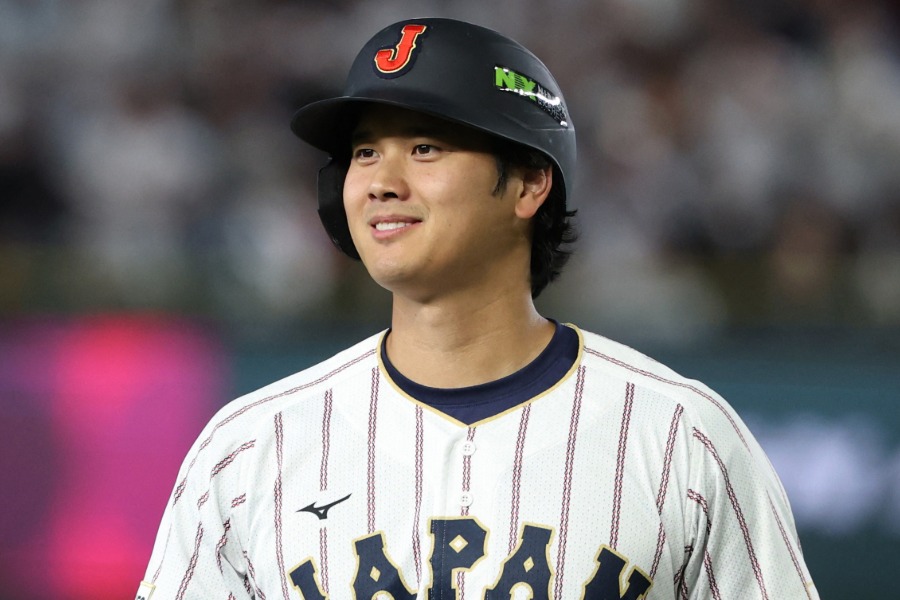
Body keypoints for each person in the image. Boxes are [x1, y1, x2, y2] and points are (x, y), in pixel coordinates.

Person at [137, 18, 819, 600]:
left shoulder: (679, 437)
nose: (380, 181)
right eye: (365, 151)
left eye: (424, 147)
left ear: (528, 184)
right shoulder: (249, 449)